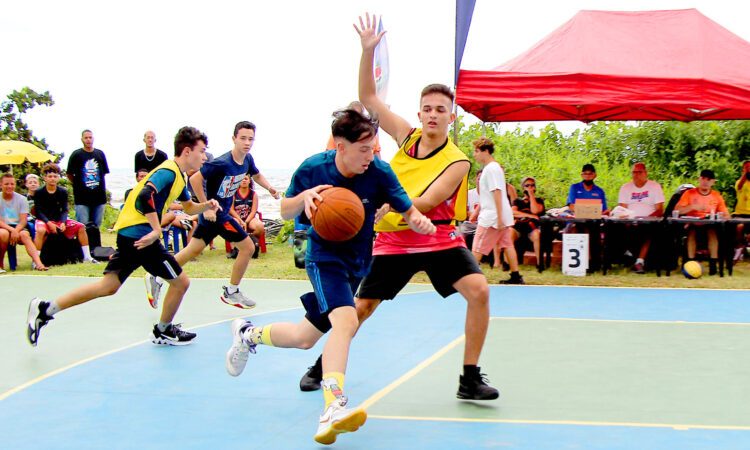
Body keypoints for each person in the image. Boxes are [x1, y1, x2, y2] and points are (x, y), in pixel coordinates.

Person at [299, 15, 500, 402]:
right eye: (427, 108)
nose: (432, 114)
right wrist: (367, 51)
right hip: (393, 240)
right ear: (420, 112)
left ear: (450, 116)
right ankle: (322, 365)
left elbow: (426, 200)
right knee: (361, 307)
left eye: (440, 109)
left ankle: (469, 378)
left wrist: (381, 208)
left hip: (437, 236)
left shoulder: (458, 160)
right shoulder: (406, 136)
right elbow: (368, 98)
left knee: (479, 290)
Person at [225, 109, 434, 445]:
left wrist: (417, 221)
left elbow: (407, 209)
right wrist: (304, 199)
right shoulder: (314, 168)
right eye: (364, 149)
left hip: (356, 262)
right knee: (346, 322)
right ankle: (333, 406)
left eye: (375, 149)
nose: (372, 156)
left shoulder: (379, 172)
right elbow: (284, 210)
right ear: (341, 145)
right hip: (323, 258)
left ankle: (248, 335)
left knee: (304, 337)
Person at [26, 126, 221, 347]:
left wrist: (206, 205)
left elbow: (188, 207)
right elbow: (145, 196)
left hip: (131, 237)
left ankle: (45, 309)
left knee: (108, 286)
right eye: (202, 151)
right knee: (180, 283)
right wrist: (157, 230)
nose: (204, 156)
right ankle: (163, 331)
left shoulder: (179, 177)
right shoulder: (168, 172)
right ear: (187, 151)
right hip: (142, 236)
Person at [147, 121, 281, 310]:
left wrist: (270, 188)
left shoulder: (248, 160)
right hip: (216, 214)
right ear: (234, 139)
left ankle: (157, 274)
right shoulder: (222, 162)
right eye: (242, 138)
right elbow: (194, 179)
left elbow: (256, 175)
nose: (247, 142)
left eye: (250, 139)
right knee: (248, 247)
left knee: (192, 250)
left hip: (216, 215)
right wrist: (206, 208)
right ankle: (231, 291)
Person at [471, 136, 524, 284]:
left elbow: (497, 192)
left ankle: (469, 277)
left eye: (476, 151)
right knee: (507, 244)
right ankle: (516, 276)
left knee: (477, 246)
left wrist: (499, 217)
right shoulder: (493, 168)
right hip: (497, 215)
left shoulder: (491, 169)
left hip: (492, 217)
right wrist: (477, 211)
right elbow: (489, 194)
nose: (475, 154)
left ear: (486, 151)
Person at [33, 163, 97, 263]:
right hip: (44, 220)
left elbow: (65, 209)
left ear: (58, 178)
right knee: (40, 231)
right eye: (50, 176)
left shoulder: (62, 191)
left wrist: (62, 222)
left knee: (81, 227)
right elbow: (38, 211)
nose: (52, 179)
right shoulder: (39, 192)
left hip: (59, 220)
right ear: (45, 178)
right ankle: (35, 260)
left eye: (55, 176)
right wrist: (48, 223)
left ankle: (87, 257)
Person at [675, 169, 729, 275]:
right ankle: (691, 262)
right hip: (692, 223)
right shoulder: (689, 193)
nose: (705, 182)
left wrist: (720, 215)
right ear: (699, 179)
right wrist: (692, 207)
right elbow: (677, 210)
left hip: (710, 224)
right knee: (692, 231)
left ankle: (713, 264)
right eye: (703, 179)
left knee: (712, 232)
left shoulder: (717, 196)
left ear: (712, 182)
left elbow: (726, 214)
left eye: (708, 180)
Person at [616, 162, 665, 273]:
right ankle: (626, 255)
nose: (636, 175)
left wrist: (645, 219)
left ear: (645, 173)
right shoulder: (625, 187)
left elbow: (660, 210)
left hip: (649, 221)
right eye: (634, 172)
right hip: (630, 220)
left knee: (648, 230)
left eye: (639, 172)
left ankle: (639, 261)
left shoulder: (654, 186)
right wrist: (630, 217)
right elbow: (622, 209)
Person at [0, 173, 47, 271]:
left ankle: (38, 263)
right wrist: (12, 230)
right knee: (2, 234)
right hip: (4, 227)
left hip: (18, 227)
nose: (9, 186)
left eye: (12, 184)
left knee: (25, 235)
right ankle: (0, 265)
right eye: (6, 184)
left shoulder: (21, 199)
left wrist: (16, 230)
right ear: (1, 185)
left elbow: (23, 221)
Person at [66, 129, 109, 227]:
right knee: (83, 227)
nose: (88, 140)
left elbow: (103, 173)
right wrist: (78, 184)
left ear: (93, 139)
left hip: (99, 197)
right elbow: (69, 174)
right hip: (82, 198)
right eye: (86, 138)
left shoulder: (100, 154)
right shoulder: (76, 155)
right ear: (82, 139)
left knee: (96, 227)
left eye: (90, 137)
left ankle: (95, 243)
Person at [512, 176, 545, 273]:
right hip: (518, 227)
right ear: (523, 188)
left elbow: (535, 211)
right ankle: (508, 263)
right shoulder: (518, 201)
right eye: (527, 186)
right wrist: (529, 215)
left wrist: (531, 196)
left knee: (537, 235)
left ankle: (540, 264)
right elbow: (512, 212)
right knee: (509, 233)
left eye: (532, 185)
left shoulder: (539, 200)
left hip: (532, 228)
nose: (530, 188)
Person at [227, 175, 264, 259]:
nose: (244, 181)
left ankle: (252, 244)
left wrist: (246, 222)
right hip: (237, 217)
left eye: (246, 179)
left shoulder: (253, 194)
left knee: (260, 226)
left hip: (249, 219)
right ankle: (235, 249)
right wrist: (240, 221)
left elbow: (253, 211)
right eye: (241, 179)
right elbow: (231, 210)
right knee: (235, 224)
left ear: (249, 181)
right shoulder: (233, 193)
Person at [733, 160, 750, 261]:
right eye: (746, 167)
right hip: (740, 213)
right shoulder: (740, 182)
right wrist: (745, 173)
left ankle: (744, 247)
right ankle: (739, 248)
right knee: (739, 226)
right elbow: (739, 186)